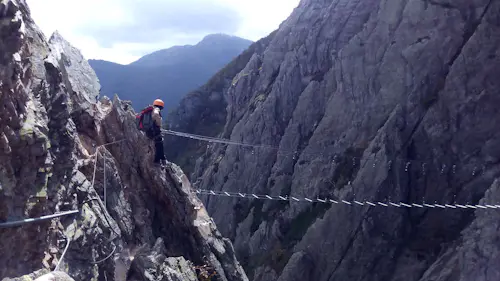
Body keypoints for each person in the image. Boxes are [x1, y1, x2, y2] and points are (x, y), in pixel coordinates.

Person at [150, 99, 167, 166]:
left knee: (159, 144)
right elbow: (156, 115)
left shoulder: (151, 109)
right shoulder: (156, 110)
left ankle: (162, 158)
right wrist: (159, 124)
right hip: (155, 131)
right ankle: (157, 161)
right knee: (159, 145)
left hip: (151, 130)